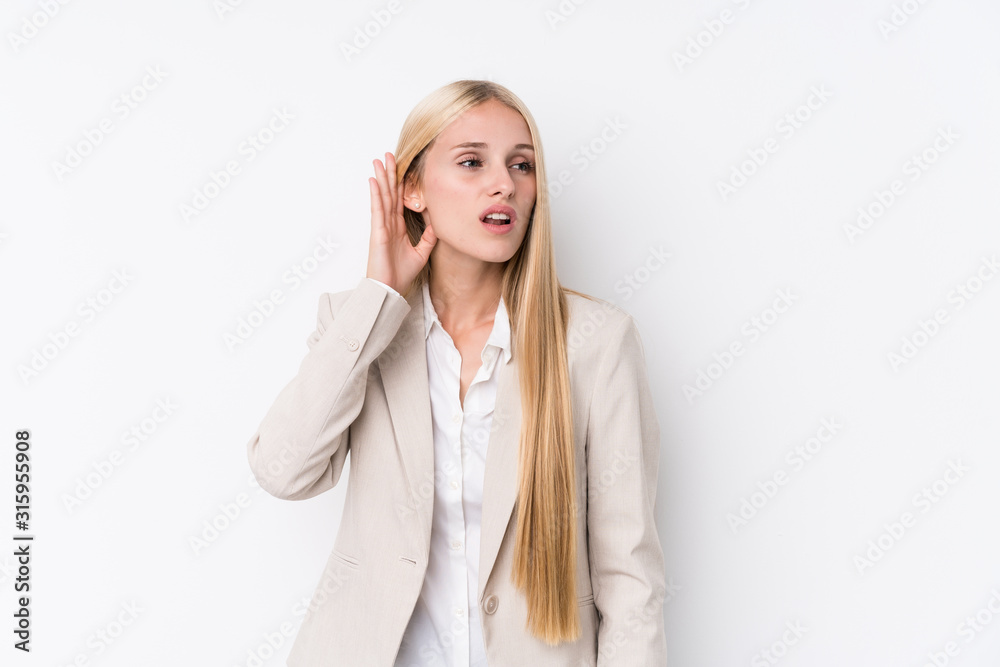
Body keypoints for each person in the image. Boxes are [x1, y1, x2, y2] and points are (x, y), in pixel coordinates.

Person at [246, 79, 668, 666]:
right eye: (473, 162)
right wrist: (378, 297)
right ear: (412, 189)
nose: (505, 184)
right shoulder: (358, 325)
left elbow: (631, 578)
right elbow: (283, 471)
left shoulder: (596, 342)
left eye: (522, 166)